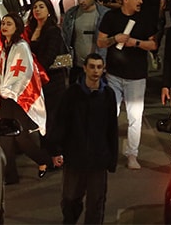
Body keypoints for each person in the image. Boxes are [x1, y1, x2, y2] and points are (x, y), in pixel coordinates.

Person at [45, 53, 119, 225]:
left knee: (96, 202)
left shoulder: (108, 95)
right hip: (75, 157)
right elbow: (61, 122)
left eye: (99, 67)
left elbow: (111, 129)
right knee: (70, 198)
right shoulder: (72, 93)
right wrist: (55, 150)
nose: (95, 71)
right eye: (92, 66)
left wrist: (112, 158)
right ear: (85, 68)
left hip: (98, 158)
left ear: (104, 69)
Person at [97, 0, 158, 170]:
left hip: (137, 76)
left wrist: (136, 43)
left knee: (135, 116)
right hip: (114, 74)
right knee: (110, 113)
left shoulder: (145, 19)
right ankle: (107, 151)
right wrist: (115, 39)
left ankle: (132, 154)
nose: (140, 1)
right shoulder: (111, 17)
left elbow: (153, 45)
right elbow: (100, 41)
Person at [0, 12, 52, 184]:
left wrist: (10, 90)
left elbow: (23, 72)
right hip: (6, 96)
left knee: (21, 137)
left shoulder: (21, 46)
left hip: (18, 97)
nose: (5, 26)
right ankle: (10, 175)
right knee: (5, 135)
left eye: (9, 24)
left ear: (17, 27)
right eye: (3, 23)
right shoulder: (6, 46)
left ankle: (45, 160)